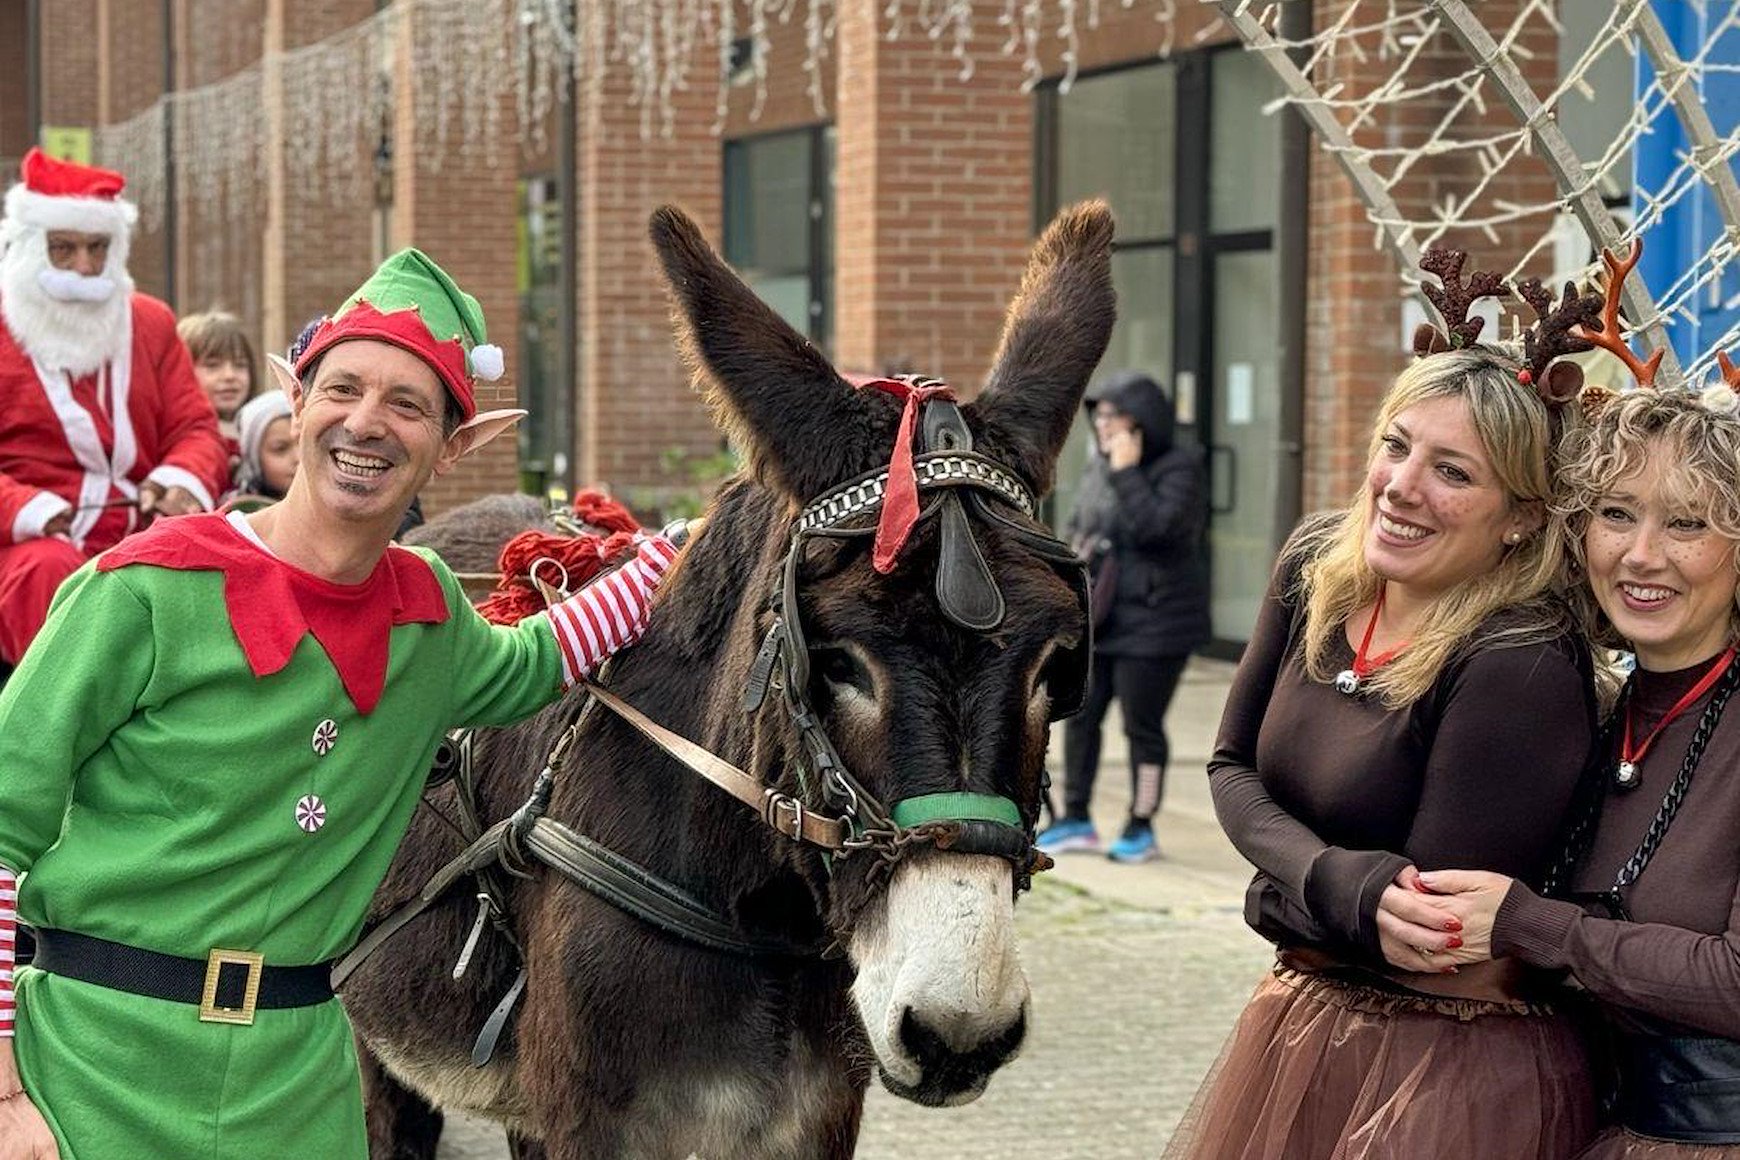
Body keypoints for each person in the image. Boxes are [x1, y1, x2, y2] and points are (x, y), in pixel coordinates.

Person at [0, 246, 688, 1159]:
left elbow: (539, 658)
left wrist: (674, 553)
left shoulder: (431, 617)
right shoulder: (140, 592)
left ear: (453, 448)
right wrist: (7, 1093)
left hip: (299, 1098)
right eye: (343, 390)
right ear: (296, 399)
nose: (366, 424)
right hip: (89, 1078)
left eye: (407, 405)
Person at [1167, 256, 1607, 1159]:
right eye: (1396, 444)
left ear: (1520, 518)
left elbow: (1429, 934)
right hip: (1308, 1015)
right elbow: (1230, 767)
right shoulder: (1313, 568)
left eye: (1454, 472)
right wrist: (1338, 883)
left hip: (1445, 1068)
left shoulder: (1518, 659)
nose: (1403, 486)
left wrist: (1275, 889)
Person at [1406, 363, 1740, 1154]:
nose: (1641, 555)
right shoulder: (1594, 708)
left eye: (1687, 524)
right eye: (1617, 514)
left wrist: (1530, 924)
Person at [0, 148, 230, 667]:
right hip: (28, 542)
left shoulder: (149, 322)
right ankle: (53, 721)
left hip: (140, 523)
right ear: (30, 247)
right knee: (47, 569)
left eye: (97, 248)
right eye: (63, 249)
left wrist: (178, 481)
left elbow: (195, 427)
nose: (84, 268)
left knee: (208, 560)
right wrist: (29, 510)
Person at [1038, 370, 1208, 862]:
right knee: (1082, 718)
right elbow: (1081, 528)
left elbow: (1159, 530)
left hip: (1158, 623)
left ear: (1143, 421)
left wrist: (1128, 472)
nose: (1104, 426)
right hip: (1104, 618)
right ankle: (1075, 817)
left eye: (1115, 416)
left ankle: (1141, 823)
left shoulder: (1179, 467)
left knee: (1142, 727)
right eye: (1101, 416)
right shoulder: (1101, 467)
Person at [177, 309, 257, 446]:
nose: (230, 376)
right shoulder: (180, 440)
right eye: (212, 366)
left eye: (240, 365)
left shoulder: (260, 436)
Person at [229, 389, 296, 504]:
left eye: (305, 444)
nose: (298, 458)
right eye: (280, 449)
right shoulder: (236, 514)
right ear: (253, 458)